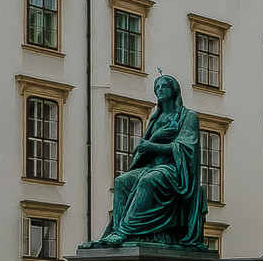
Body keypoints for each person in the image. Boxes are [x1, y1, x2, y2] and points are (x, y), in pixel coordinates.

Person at [85, 74, 207, 249]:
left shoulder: (188, 117)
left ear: (174, 90)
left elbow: (186, 148)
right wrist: (156, 138)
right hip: (152, 166)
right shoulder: (156, 119)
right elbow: (142, 149)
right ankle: (118, 230)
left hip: (175, 170)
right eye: (157, 87)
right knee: (121, 182)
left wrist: (153, 146)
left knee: (148, 181)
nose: (160, 89)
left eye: (164, 86)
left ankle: (124, 231)